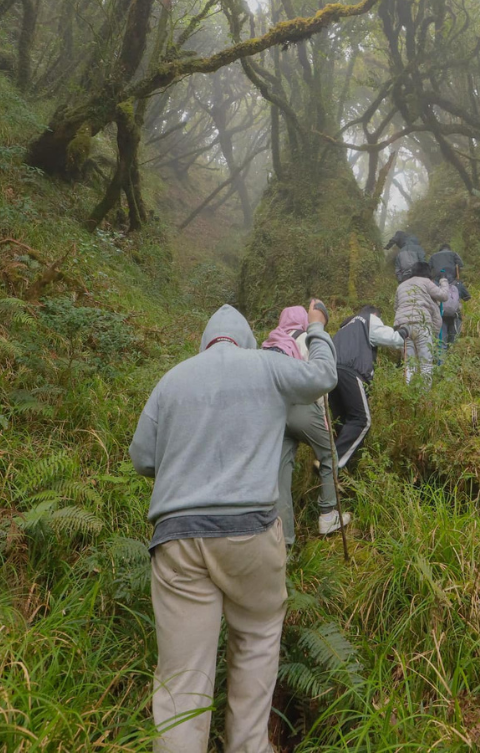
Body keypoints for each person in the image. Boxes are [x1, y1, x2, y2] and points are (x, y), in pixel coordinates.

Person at [129, 301, 337, 753]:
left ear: (204, 343)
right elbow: (323, 377)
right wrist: (318, 328)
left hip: (177, 539)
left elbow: (142, 457)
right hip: (251, 533)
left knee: (182, 681)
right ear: (245, 340)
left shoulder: (172, 380)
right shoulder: (266, 365)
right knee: (258, 639)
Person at [264, 305, 350, 542]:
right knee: (328, 455)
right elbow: (320, 381)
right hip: (303, 407)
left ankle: (284, 539)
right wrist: (323, 420)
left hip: (276, 411)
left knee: (281, 474)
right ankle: (328, 513)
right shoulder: (307, 338)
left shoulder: (271, 342)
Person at [330, 304, 405, 468]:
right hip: (351, 372)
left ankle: (341, 476)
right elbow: (394, 339)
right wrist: (404, 332)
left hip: (330, 376)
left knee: (344, 425)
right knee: (361, 420)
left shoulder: (344, 327)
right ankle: (329, 465)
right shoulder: (368, 319)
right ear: (375, 314)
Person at [394, 265, 449, 382]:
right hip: (421, 324)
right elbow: (444, 296)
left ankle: (409, 391)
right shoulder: (425, 282)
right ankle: (424, 395)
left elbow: (396, 307)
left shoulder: (401, 286)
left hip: (403, 326)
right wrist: (443, 280)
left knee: (409, 363)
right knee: (426, 363)